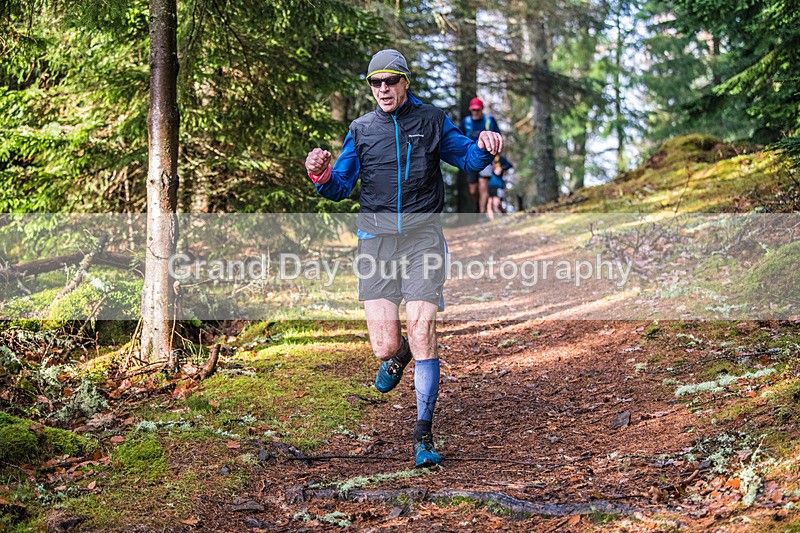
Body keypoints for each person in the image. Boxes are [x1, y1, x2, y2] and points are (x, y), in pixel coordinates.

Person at [304, 49, 503, 468]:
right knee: (386, 345)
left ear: (405, 82)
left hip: (422, 238)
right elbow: (340, 186)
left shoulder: (431, 120)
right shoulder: (360, 130)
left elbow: (466, 158)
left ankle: (423, 436)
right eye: (375, 83)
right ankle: (399, 355)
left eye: (390, 81)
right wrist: (320, 174)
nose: (382, 89)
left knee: (423, 329)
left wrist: (484, 148)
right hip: (375, 243)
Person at [460, 97, 501, 214]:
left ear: (482, 109)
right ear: (470, 110)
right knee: (473, 189)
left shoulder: (489, 121)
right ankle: (479, 203)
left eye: (478, 110)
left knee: (483, 186)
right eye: (473, 110)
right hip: (470, 158)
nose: (476, 112)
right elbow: (458, 139)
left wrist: (496, 161)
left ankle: (482, 214)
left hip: (486, 159)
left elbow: (497, 138)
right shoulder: (466, 122)